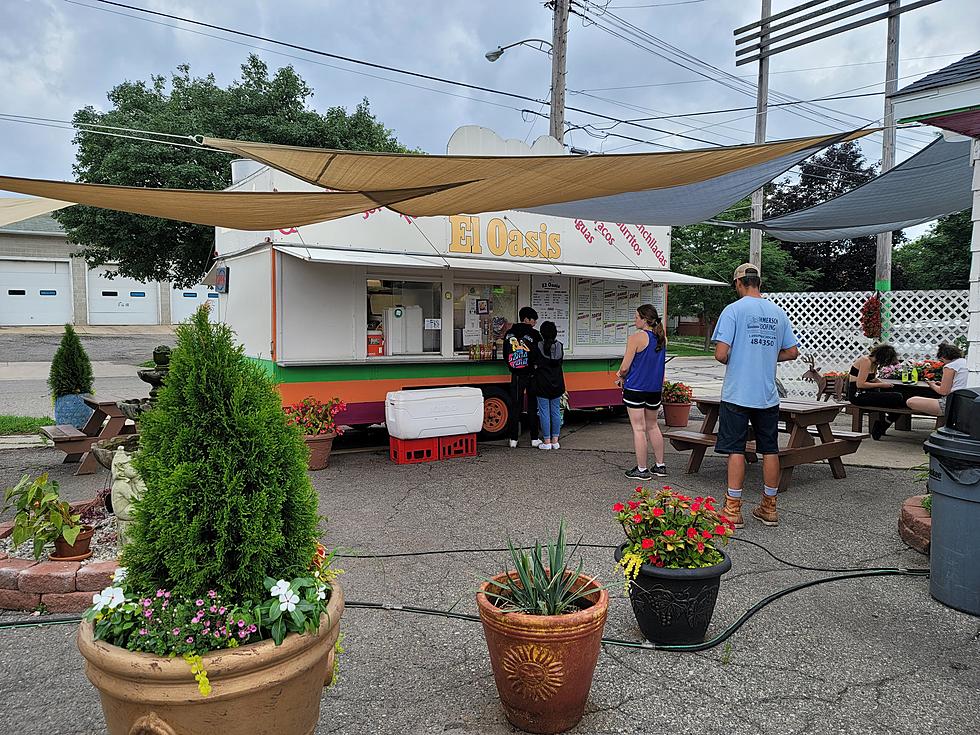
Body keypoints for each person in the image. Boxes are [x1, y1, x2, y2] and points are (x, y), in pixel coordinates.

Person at [713, 263, 799, 529]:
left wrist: (735, 356)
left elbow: (720, 353)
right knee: (769, 448)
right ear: (758, 283)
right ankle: (769, 507)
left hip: (738, 392)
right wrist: (768, 355)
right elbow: (792, 352)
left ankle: (732, 509)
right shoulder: (777, 312)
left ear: (739, 283)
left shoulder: (733, 310)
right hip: (767, 395)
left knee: (736, 449)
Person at [615, 304, 668, 480]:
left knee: (639, 429)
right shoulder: (661, 338)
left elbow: (624, 367)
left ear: (645, 319)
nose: (634, 320)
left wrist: (620, 375)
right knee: (653, 425)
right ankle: (660, 465)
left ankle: (642, 469)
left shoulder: (636, 338)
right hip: (654, 389)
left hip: (636, 388)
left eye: (637, 317)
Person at [847, 343, 904, 440]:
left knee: (902, 401)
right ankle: (881, 426)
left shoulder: (874, 363)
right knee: (898, 397)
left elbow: (872, 379)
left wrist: (884, 384)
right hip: (858, 394)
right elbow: (860, 384)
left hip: (867, 392)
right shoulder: (866, 361)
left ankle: (882, 425)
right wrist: (882, 385)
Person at [503, 306, 541, 448]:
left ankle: (513, 440)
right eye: (533, 320)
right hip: (531, 374)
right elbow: (539, 354)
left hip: (516, 375)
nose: (535, 323)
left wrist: (512, 367)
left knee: (515, 406)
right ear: (526, 319)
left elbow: (506, 354)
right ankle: (534, 438)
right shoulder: (535, 335)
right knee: (532, 406)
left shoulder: (509, 334)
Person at [906, 343, 968, 417]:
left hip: (953, 403)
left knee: (911, 401)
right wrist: (942, 384)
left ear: (943, 357)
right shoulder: (965, 363)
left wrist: (932, 385)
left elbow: (944, 391)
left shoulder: (950, 366)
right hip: (966, 401)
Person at [532, 321, 565, 450]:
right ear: (555, 333)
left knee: (544, 412)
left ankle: (546, 442)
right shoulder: (560, 346)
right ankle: (555, 441)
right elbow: (560, 363)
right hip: (557, 383)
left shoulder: (537, 346)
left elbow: (534, 364)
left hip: (542, 383)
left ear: (542, 333)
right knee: (555, 411)